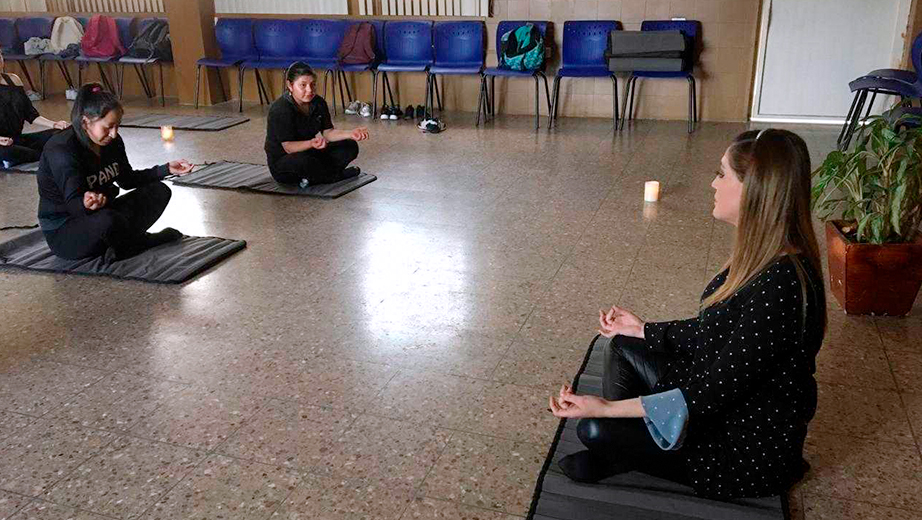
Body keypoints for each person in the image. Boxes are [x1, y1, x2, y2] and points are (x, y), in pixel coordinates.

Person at [548, 129, 828, 500]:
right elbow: (713, 330)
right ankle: (627, 446)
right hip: (717, 406)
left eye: (722, 174)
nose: (713, 183)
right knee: (621, 347)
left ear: (754, 189)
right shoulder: (765, 257)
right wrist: (642, 329)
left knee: (596, 428)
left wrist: (609, 407)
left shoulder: (782, 284)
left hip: (740, 453)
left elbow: (710, 395)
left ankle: (617, 452)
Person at [37, 83, 195, 261]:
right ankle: (134, 243)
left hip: (104, 214)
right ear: (85, 122)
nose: (114, 134)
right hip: (65, 231)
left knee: (159, 191)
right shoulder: (62, 150)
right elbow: (74, 204)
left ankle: (125, 242)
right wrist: (86, 203)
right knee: (108, 220)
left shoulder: (113, 142)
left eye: (117, 126)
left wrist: (165, 169)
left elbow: (127, 180)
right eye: (108, 127)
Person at [264, 61, 369, 188]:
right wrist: (311, 143)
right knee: (304, 162)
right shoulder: (280, 109)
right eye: (303, 85)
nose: (309, 90)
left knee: (349, 146)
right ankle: (334, 177)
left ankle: (314, 178)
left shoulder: (318, 102)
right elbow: (288, 147)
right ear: (290, 85)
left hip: (310, 152)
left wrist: (350, 134)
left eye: (313, 85)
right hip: (285, 160)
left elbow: (328, 132)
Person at [0, 49, 69, 166]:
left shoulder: (13, 80)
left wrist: (54, 124)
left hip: (17, 139)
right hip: (2, 146)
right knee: (4, 151)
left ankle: (29, 155)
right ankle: (43, 154)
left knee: (60, 133)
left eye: (0, 55)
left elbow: (30, 113)